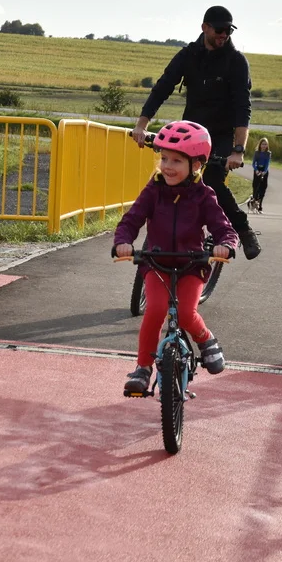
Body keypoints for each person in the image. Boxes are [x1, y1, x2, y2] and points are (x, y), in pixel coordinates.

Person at [113, 121, 239, 394]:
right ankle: (143, 368)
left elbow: (223, 227)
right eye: (164, 158)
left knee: (184, 313)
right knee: (156, 310)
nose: (167, 166)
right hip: (156, 263)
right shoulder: (153, 190)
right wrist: (123, 241)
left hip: (192, 265)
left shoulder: (204, 195)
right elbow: (131, 220)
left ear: (196, 165)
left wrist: (226, 244)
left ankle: (205, 339)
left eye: (177, 161)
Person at [130, 5, 260, 260]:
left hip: (222, 136)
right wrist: (141, 125)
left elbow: (242, 108)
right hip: (192, 132)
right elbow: (162, 88)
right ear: (205, 28)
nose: (224, 35)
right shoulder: (188, 55)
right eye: (220, 30)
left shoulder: (236, 61)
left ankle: (243, 230)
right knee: (172, 177)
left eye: (229, 30)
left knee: (212, 179)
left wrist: (238, 149)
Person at [249, 137, 271, 213]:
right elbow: (253, 163)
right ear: (260, 145)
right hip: (257, 170)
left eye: (265, 144)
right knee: (256, 187)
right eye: (263, 144)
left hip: (264, 171)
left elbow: (267, 163)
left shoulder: (268, 153)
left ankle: (260, 205)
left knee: (263, 188)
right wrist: (256, 170)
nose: (264, 146)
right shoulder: (257, 153)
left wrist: (264, 171)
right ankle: (253, 203)